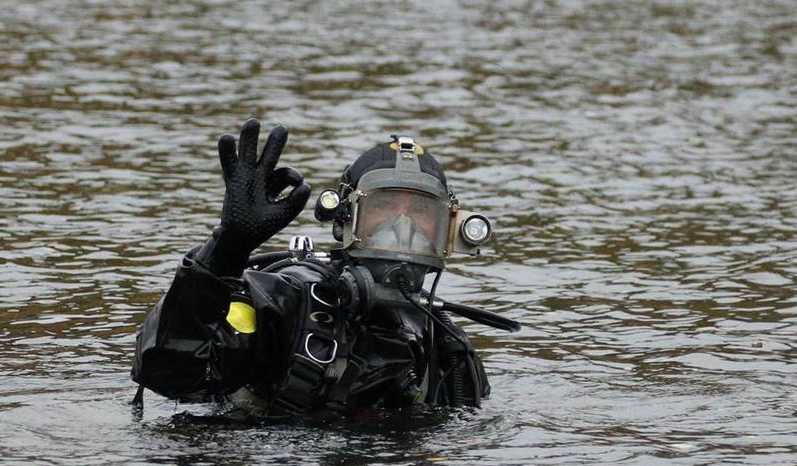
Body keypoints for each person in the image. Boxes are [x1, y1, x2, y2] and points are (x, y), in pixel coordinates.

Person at [131, 119, 517, 417]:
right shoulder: (287, 303)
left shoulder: (443, 346)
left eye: (420, 213)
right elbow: (168, 372)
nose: (403, 230)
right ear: (345, 219)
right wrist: (225, 249)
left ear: (448, 231)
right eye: (382, 209)